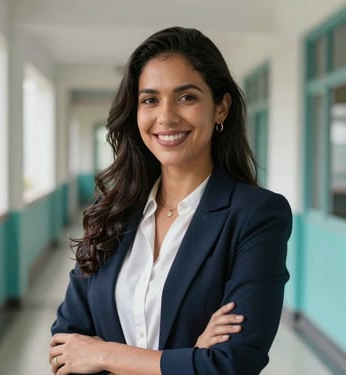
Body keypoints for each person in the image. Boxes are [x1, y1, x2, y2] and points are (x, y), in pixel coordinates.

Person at [49, 26, 292, 375]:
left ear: (221, 108)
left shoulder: (256, 215)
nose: (166, 117)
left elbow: (232, 364)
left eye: (186, 97)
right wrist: (189, 357)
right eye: (150, 99)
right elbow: (64, 349)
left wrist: (105, 355)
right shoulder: (112, 211)